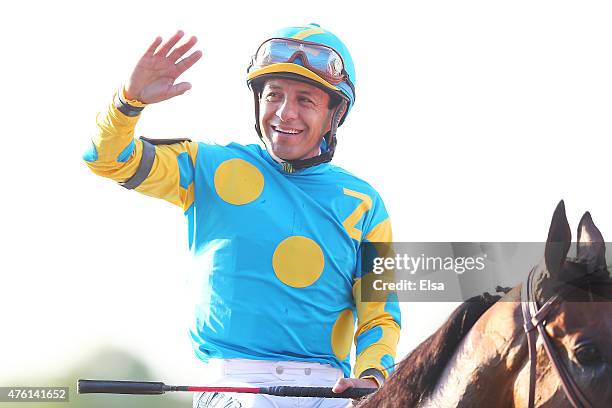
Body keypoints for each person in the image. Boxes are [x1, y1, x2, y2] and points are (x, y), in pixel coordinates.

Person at [84, 24, 401, 408]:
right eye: (274, 96)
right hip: (235, 387)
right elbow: (106, 159)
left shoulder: (366, 203)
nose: (286, 113)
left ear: (335, 113)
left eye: (305, 100)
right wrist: (129, 101)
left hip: (327, 392)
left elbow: (380, 313)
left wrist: (371, 376)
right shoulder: (206, 166)